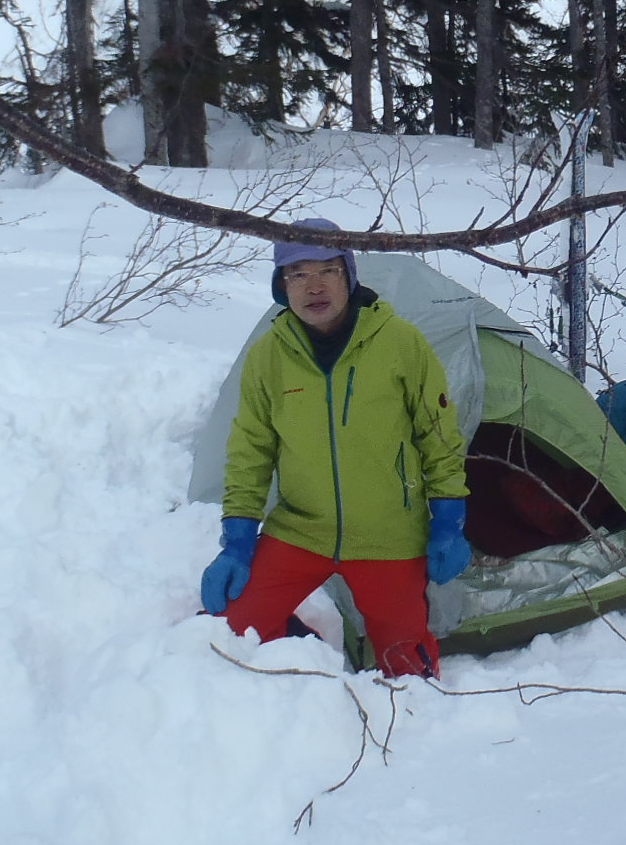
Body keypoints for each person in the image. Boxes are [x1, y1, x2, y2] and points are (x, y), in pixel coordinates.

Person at [199, 218, 471, 678]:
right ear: (281, 286)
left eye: (327, 269)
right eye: (298, 273)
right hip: (301, 530)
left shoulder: (401, 343)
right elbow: (251, 452)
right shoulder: (268, 357)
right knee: (229, 637)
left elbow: (438, 436)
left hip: (389, 535)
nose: (314, 286)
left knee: (408, 674)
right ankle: (300, 648)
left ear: (349, 275)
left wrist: (448, 519)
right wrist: (238, 539)